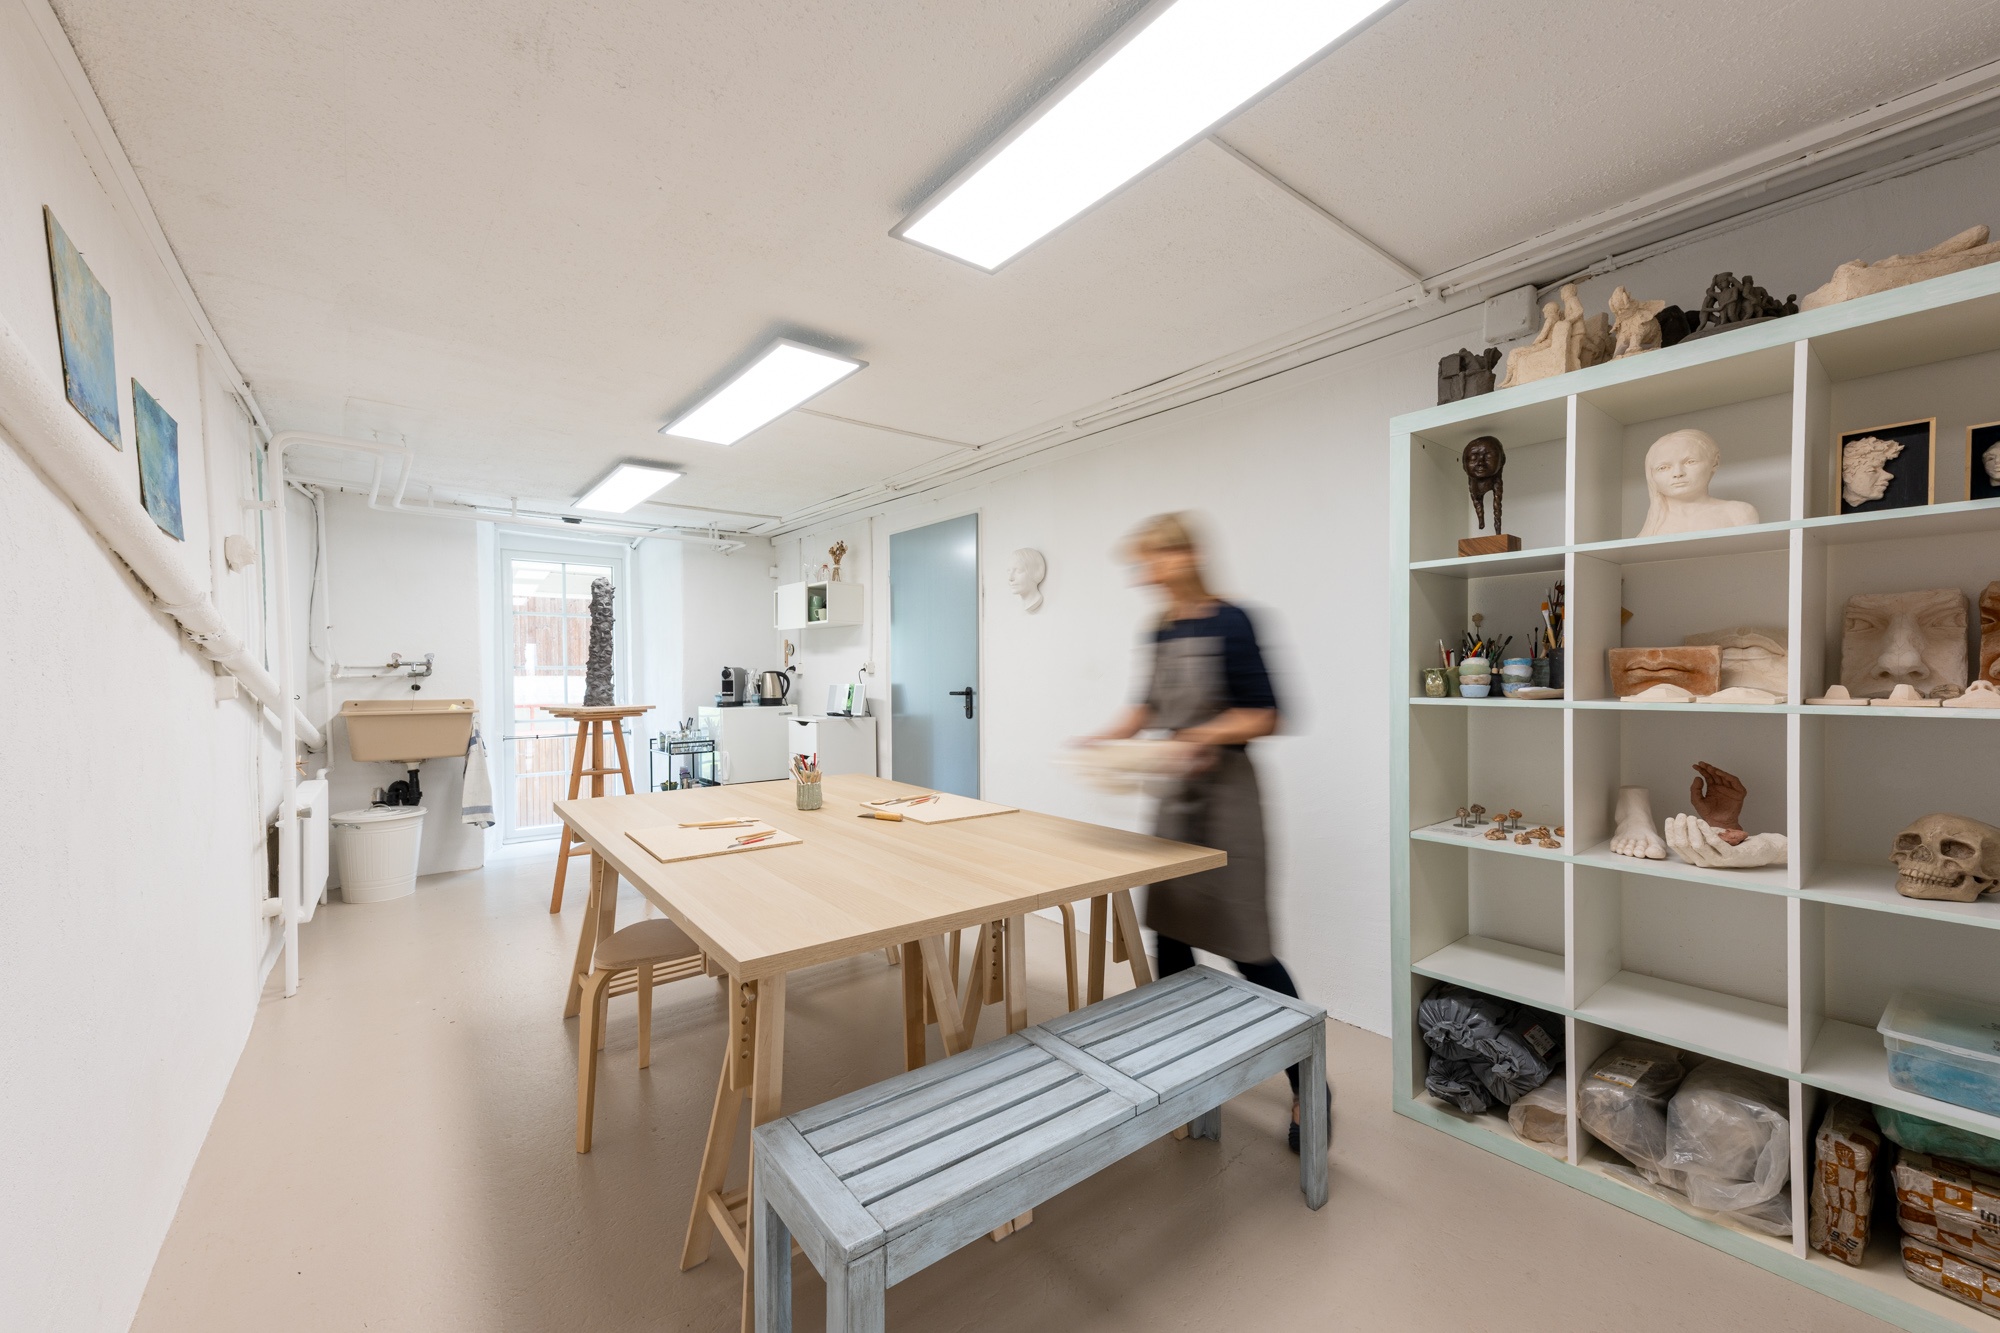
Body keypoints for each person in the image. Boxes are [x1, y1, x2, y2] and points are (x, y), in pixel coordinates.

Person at [1085, 512, 1324, 1150]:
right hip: (1175, 798)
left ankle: (1310, 1088)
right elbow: (1147, 706)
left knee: (1248, 945)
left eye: (1154, 560)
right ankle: (1190, 1077)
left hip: (1228, 800)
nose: (1146, 575)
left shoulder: (1233, 621)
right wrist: (1105, 739)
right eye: (1141, 564)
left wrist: (1201, 735)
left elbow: (1267, 714)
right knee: (1170, 938)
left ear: (1186, 555)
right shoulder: (1159, 628)